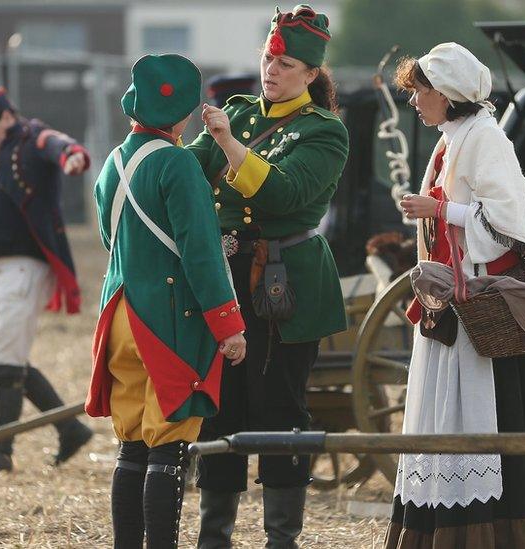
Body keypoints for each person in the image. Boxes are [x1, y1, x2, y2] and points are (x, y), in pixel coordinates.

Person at [388, 42, 525, 548]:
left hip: (481, 313)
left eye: (421, 91)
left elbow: (508, 227)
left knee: (489, 416)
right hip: (450, 305)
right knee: (441, 415)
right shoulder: (450, 139)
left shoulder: (486, 138)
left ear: (448, 94)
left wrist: (439, 209)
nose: (414, 101)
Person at [186, 5, 349, 547]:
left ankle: (281, 539)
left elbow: (282, 192)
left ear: (310, 74)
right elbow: (187, 174)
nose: (271, 70)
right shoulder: (237, 112)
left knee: (281, 409)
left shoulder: (324, 131)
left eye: (285, 64)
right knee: (220, 408)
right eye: (268, 59)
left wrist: (228, 143)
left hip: (286, 285)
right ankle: (214, 538)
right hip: (224, 278)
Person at [84, 53, 247, 548]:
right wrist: (228, 324)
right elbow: (201, 253)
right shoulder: (177, 163)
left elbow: (110, 239)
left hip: (120, 314)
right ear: (183, 113)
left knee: (132, 445)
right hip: (166, 321)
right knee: (169, 447)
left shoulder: (112, 162)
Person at [0, 84, 94, 475]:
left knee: (5, 362)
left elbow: (56, 142)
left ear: (6, 117)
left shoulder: (31, 137)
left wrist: (72, 155)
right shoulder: (6, 151)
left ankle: (1, 454)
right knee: (5, 360)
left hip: (21, 268)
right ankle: (70, 429)